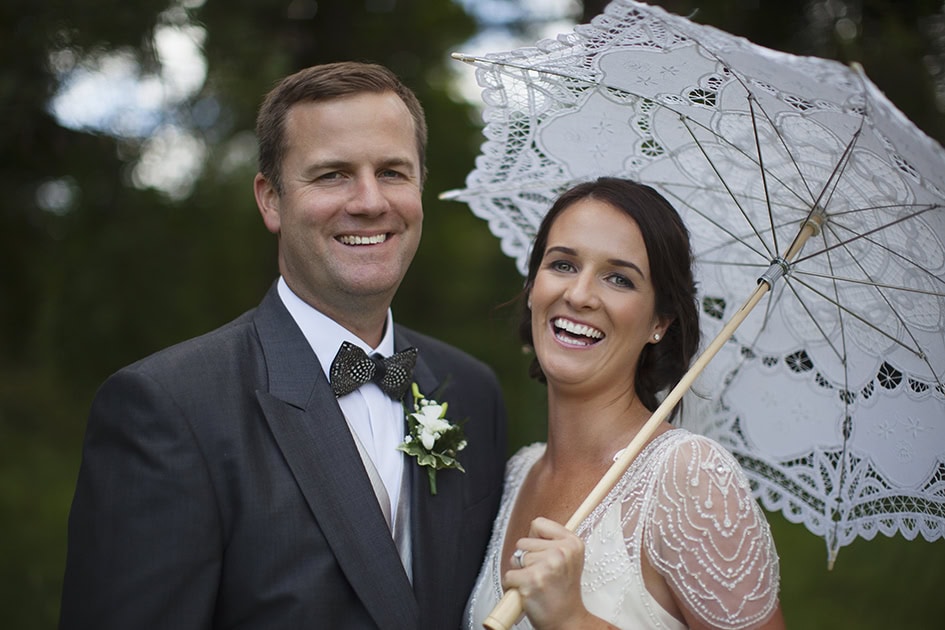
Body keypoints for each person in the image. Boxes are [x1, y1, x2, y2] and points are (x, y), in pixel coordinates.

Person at [60, 61, 508, 630]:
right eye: (333, 175)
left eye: (392, 172)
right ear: (271, 199)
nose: (370, 201)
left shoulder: (470, 391)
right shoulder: (168, 407)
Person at [465, 178, 784, 629]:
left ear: (660, 322)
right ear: (533, 286)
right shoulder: (518, 472)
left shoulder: (690, 478)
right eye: (563, 264)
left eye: (619, 279)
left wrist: (574, 620)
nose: (579, 295)